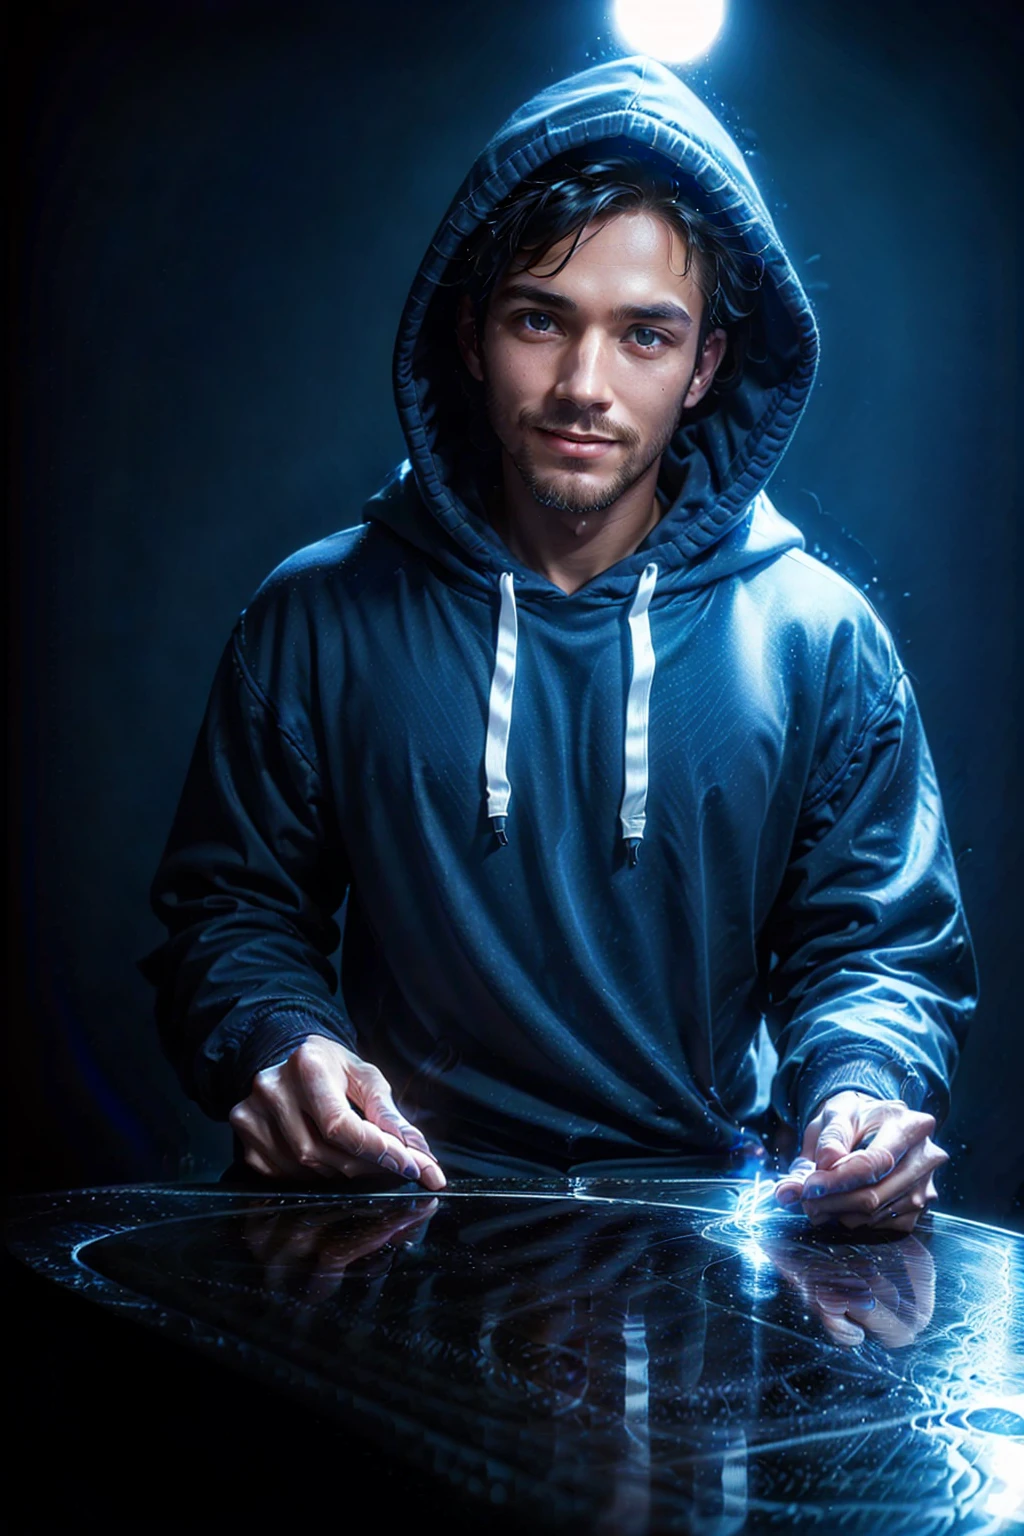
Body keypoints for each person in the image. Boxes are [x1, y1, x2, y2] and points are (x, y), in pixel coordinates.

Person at [141, 56, 977, 1232]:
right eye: (542, 318)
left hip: (707, 1237)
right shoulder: (317, 613)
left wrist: (859, 1094)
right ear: (474, 332)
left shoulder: (821, 641)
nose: (584, 385)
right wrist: (282, 1047)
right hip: (392, 1220)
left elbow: (877, 951)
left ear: (705, 368)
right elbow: (232, 914)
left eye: (645, 335)